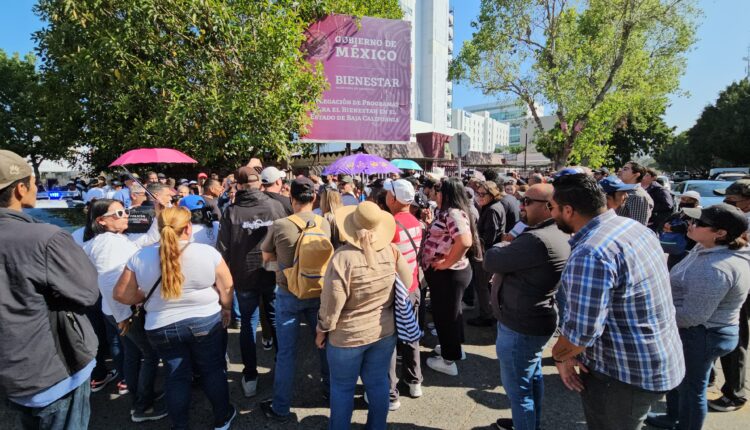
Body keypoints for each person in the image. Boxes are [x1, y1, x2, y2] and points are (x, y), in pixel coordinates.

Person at [549, 173, 684, 430]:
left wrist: (560, 356)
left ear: (568, 210)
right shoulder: (632, 227)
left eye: (552, 208)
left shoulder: (592, 251)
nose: (551, 214)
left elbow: (582, 332)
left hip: (624, 376)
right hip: (653, 361)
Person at [0, 149, 100, 429]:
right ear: (20, 188)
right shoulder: (45, 238)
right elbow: (88, 292)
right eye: (33, 181)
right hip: (50, 371)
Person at [114, 207, 236, 430]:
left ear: (159, 229)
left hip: (161, 326)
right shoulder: (208, 253)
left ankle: (180, 425)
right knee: (212, 370)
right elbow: (226, 286)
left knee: (176, 375)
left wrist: (141, 297)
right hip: (205, 320)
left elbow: (121, 294)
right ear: (188, 227)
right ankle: (222, 417)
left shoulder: (140, 256)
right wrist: (226, 308)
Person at [646, 204, 750, 430]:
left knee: (692, 389)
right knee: (678, 379)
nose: (690, 224)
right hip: (696, 332)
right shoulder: (706, 248)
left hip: (702, 335)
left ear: (720, 233)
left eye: (699, 223)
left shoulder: (716, 268)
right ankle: (671, 417)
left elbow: (692, 316)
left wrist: (656, 316)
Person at [316, 201, 413, 430]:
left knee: (342, 389)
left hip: (346, 336)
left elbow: (332, 304)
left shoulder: (342, 258)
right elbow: (407, 283)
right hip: (384, 330)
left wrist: (322, 329)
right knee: (379, 383)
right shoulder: (391, 250)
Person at [484, 184, 571, 430]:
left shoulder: (537, 239)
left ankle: (525, 424)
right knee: (531, 379)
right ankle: (530, 424)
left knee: (519, 392)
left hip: (521, 324)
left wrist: (502, 246)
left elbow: (491, 261)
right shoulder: (555, 232)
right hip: (534, 320)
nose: (522, 206)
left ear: (548, 207)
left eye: (527, 201)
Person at [82, 199, 167, 422]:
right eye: (119, 213)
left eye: (125, 210)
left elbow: (146, 240)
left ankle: (140, 396)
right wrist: (124, 316)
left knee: (133, 353)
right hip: (123, 310)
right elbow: (110, 283)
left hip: (116, 310)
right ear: (101, 221)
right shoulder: (107, 245)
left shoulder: (114, 239)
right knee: (149, 354)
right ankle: (142, 407)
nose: (126, 215)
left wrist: (158, 215)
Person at [259, 177, 331, 421]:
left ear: (291, 198)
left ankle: (280, 406)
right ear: (313, 198)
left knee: (286, 353)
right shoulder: (325, 222)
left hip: (288, 291)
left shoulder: (280, 225)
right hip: (319, 290)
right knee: (323, 344)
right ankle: (331, 392)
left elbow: (266, 256)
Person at [217, 166, 286, 398]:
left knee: (248, 324)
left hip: (243, 275)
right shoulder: (274, 206)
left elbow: (222, 250)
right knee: (275, 320)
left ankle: (250, 375)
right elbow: (285, 241)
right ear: (258, 183)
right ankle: (281, 369)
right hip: (272, 273)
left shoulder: (231, 211)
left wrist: (223, 283)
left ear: (238, 185)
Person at [420, 178, 479, 376]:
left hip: (449, 274)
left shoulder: (453, 213)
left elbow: (464, 241)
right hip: (447, 274)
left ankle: (448, 360)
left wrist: (447, 263)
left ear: (445, 194)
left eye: (438, 191)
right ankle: (452, 349)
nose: (434, 195)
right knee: (450, 314)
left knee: (445, 316)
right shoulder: (447, 212)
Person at [709, 179, 750, 412]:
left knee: (735, 340)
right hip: (731, 282)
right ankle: (711, 378)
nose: (727, 204)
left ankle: (734, 394)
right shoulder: (738, 216)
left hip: (741, 287)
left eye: (732, 200)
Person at [384, 179, 424, 409]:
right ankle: (414, 380)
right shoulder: (416, 222)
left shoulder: (390, 224)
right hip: (413, 286)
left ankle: (391, 393)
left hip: (395, 289)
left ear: (394, 198)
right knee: (411, 334)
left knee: (389, 340)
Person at [469, 180, 506, 327]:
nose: (479, 196)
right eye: (478, 193)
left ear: (491, 195)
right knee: (485, 286)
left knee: (482, 286)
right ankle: (488, 312)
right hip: (488, 252)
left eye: (482, 194)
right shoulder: (490, 207)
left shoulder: (492, 209)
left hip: (486, 254)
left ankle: (486, 315)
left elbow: (489, 236)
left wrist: (477, 244)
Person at [616, 161, 654, 225]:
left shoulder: (638, 197)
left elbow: (638, 226)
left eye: (625, 169)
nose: (620, 171)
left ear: (636, 175)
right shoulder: (623, 191)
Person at [643, 168, 674, 232]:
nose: (643, 176)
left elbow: (668, 205)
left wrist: (649, 207)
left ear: (653, 177)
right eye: (643, 174)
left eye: (647, 175)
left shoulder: (660, 189)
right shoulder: (639, 187)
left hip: (654, 224)